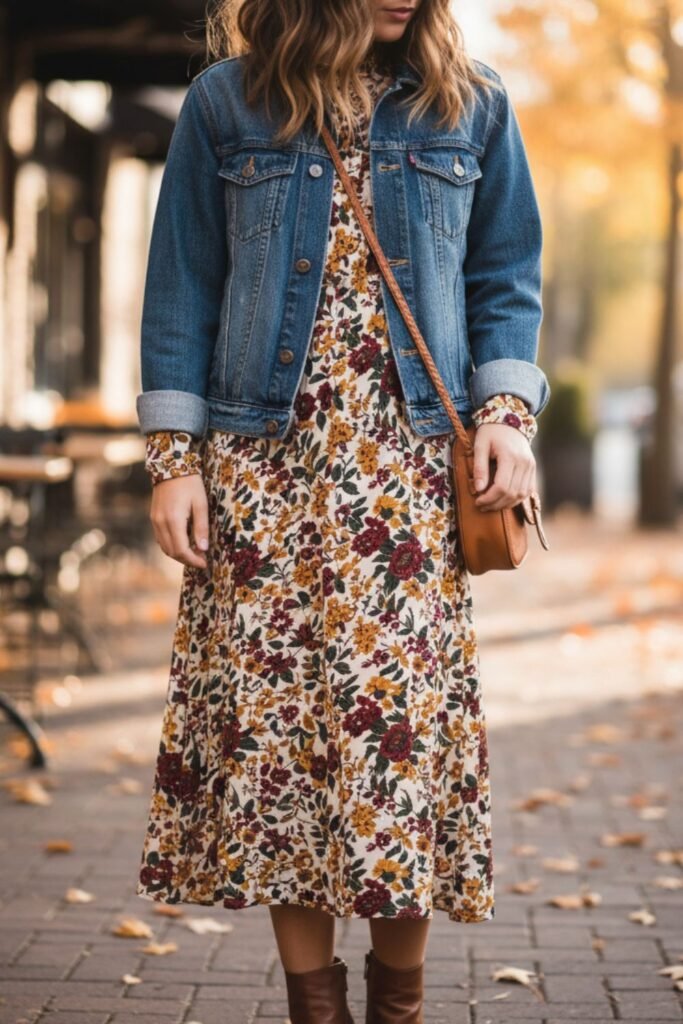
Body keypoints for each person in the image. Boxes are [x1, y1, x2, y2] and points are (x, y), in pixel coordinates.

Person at [134, 1, 550, 1021]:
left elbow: (505, 277)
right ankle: (313, 1012)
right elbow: (182, 290)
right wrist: (172, 461)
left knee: (396, 749)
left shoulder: (474, 104)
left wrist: (507, 412)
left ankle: (396, 1010)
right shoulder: (225, 104)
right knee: (282, 754)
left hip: (405, 485)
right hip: (265, 479)